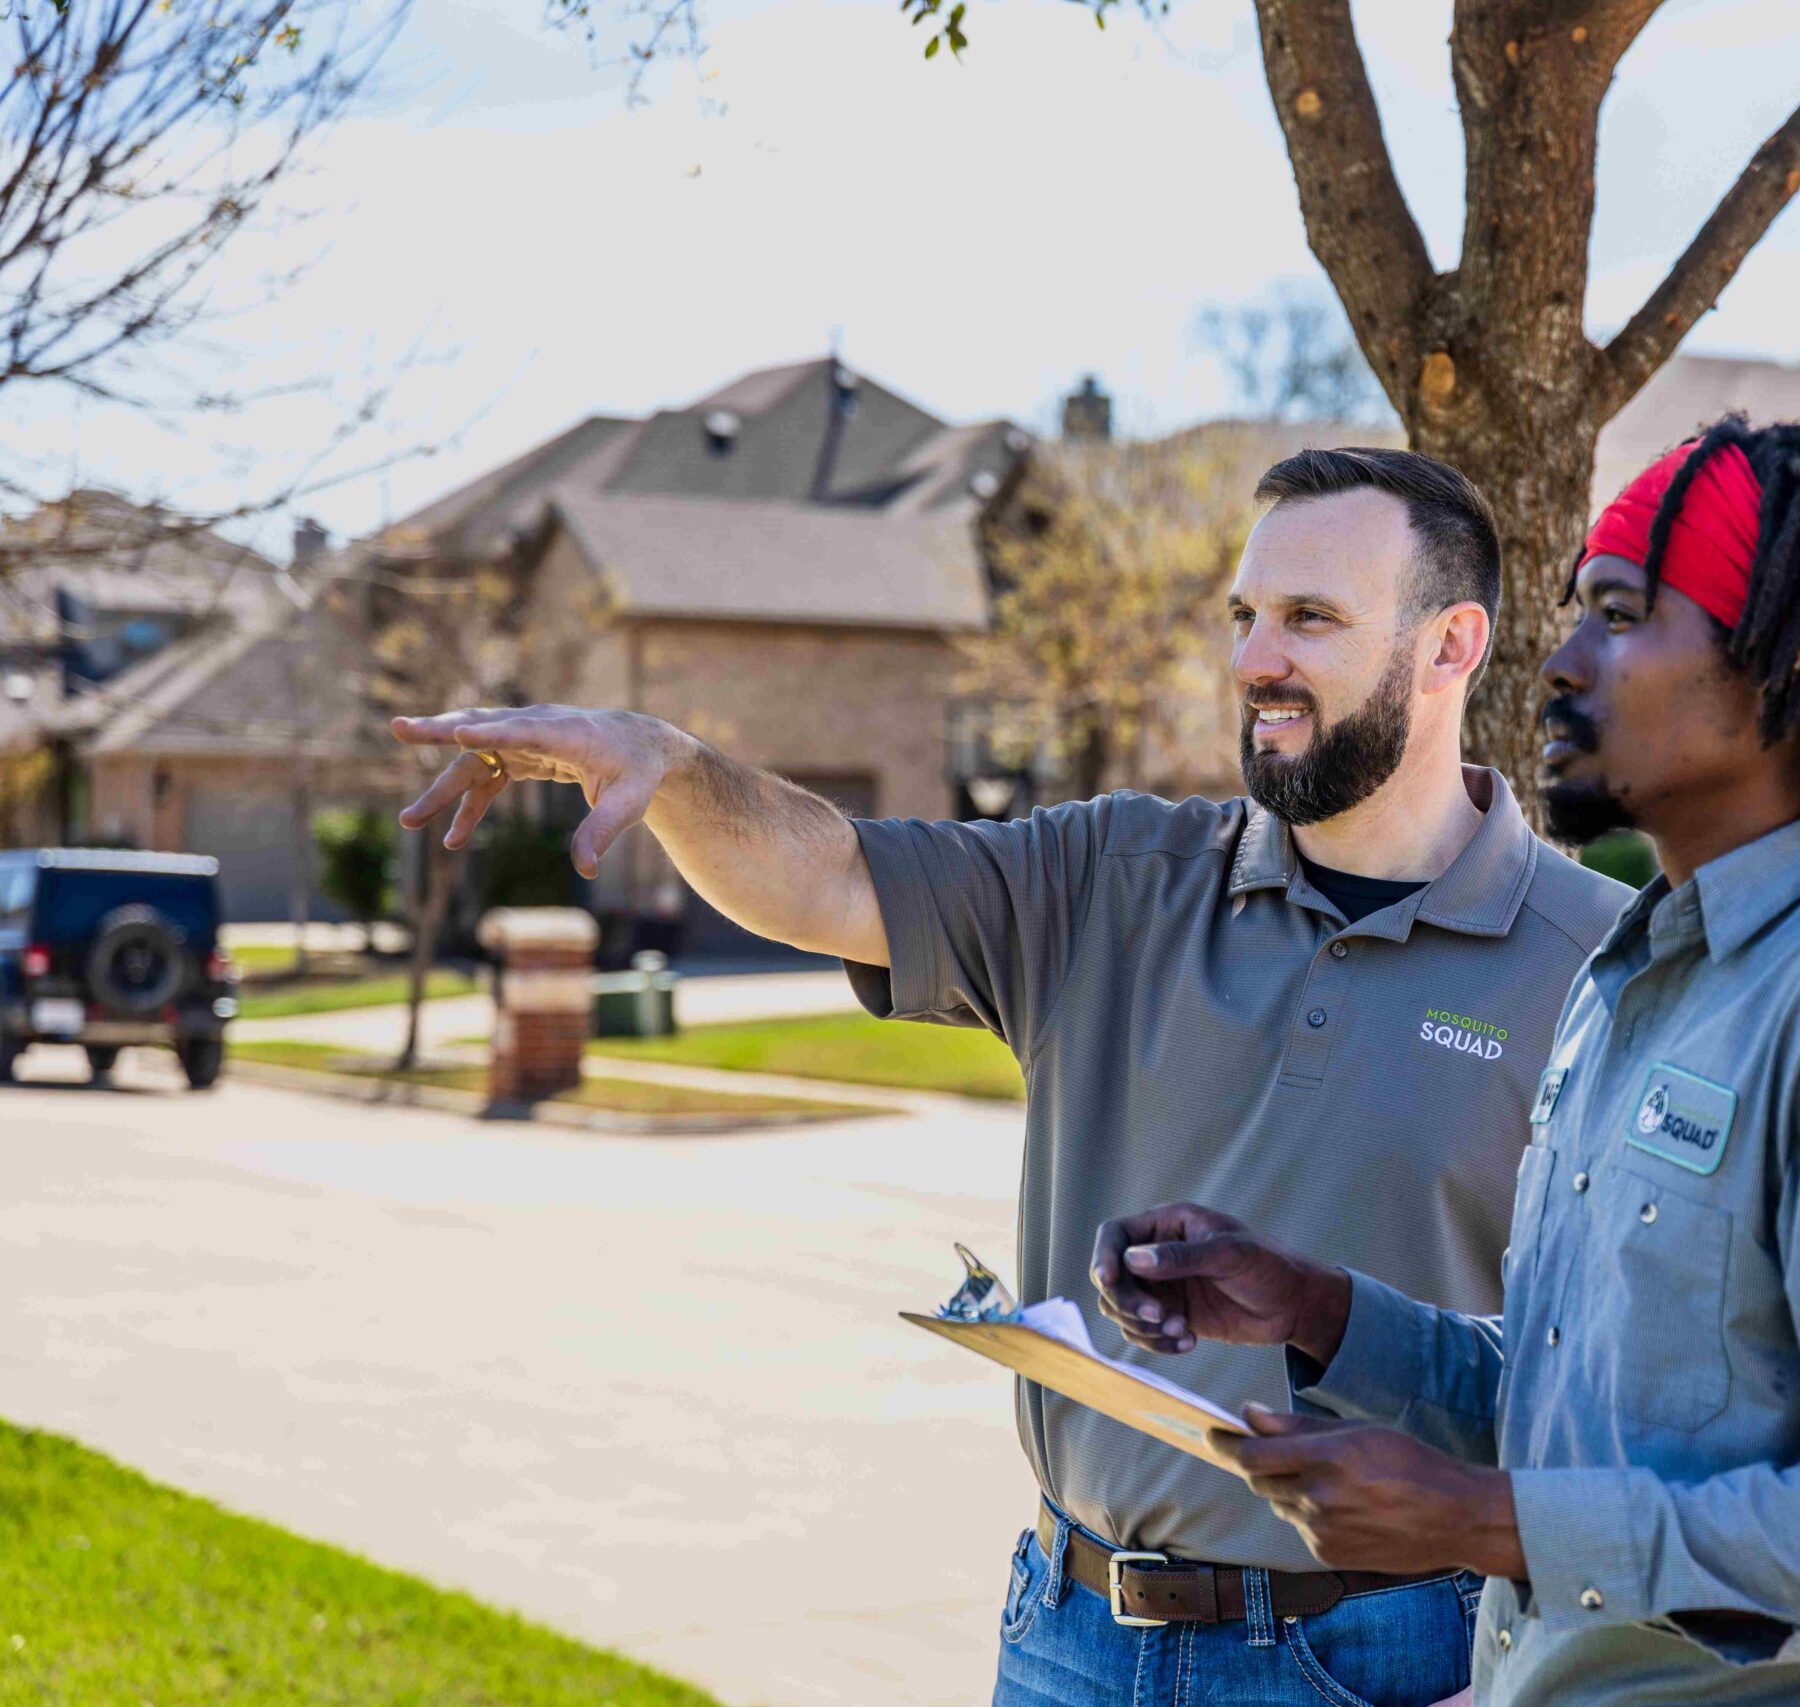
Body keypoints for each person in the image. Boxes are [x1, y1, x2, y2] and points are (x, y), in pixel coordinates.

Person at [390, 447, 1630, 1707]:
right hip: (1070, 1633)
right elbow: (826, 878)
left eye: (1311, 618)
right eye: (1245, 616)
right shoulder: (1113, 876)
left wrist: (1535, 1675)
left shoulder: (1604, 969)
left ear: (1450, 645)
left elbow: (1639, 1385)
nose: (1257, 658)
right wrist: (669, 768)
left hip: (1394, 1662)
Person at [1091, 415, 1800, 1706]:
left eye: (1618, 612)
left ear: (1779, 663)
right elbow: (1586, 1399)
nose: (1556, 662)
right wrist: (1317, 1309)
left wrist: (1489, 1524)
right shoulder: (1634, 979)